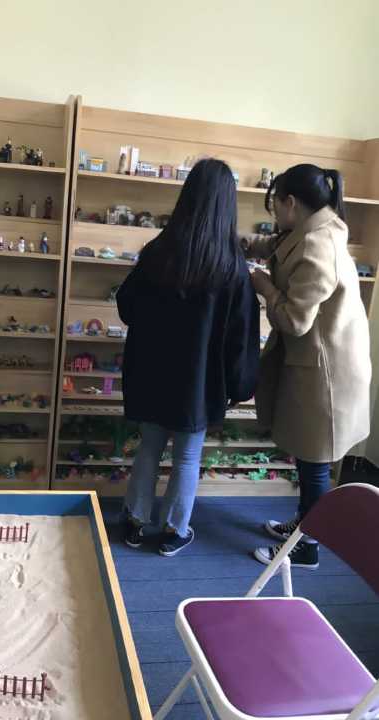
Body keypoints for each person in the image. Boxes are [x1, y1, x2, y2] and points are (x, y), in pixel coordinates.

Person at [117, 158, 260, 557]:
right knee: (187, 457)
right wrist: (239, 385)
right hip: (199, 382)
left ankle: (134, 521)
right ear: (227, 204)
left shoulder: (158, 251)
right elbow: (241, 335)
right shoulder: (233, 267)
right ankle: (174, 531)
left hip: (152, 373)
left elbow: (127, 306)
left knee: (149, 448)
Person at [245, 163, 371, 569]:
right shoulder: (313, 229)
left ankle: (308, 547)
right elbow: (277, 245)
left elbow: (295, 320)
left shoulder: (318, 245)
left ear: (291, 203)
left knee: (315, 464)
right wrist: (245, 245)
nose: (274, 215)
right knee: (307, 457)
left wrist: (263, 285)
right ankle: (303, 526)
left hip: (326, 372)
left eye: (275, 206)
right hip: (319, 362)